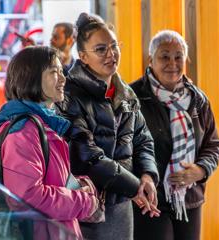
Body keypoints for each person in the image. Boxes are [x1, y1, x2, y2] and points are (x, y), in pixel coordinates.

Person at [56, 12, 160, 240]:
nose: (111, 54)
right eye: (101, 49)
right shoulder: (70, 95)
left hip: (122, 204)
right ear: (83, 56)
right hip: (88, 206)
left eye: (114, 46)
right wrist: (134, 186)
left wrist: (148, 176)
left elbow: (143, 140)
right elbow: (87, 156)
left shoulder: (126, 93)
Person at [0, 46, 100, 239]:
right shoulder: (24, 131)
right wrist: (84, 202)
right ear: (32, 78)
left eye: (62, 71)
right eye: (54, 72)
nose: (63, 79)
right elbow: (26, 196)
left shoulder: (42, 124)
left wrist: (78, 184)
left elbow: (47, 180)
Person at [130, 30, 219, 240]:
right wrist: (139, 181)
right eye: (164, 56)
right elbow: (125, 147)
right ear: (150, 59)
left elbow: (213, 144)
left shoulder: (198, 99)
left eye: (178, 56)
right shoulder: (133, 97)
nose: (172, 63)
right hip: (150, 200)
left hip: (189, 198)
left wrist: (201, 170)